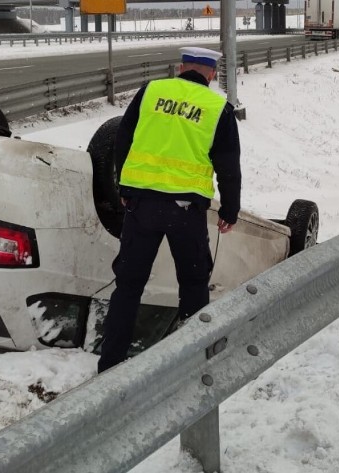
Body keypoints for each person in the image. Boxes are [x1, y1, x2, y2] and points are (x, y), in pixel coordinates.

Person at [97, 46, 242, 373]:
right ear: (212, 74)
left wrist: (124, 186)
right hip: (186, 212)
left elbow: (124, 137)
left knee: (129, 286)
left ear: (180, 67)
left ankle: (109, 365)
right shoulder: (218, 106)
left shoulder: (151, 91)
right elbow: (228, 165)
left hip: (142, 206)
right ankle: (193, 361)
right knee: (193, 285)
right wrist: (229, 210)